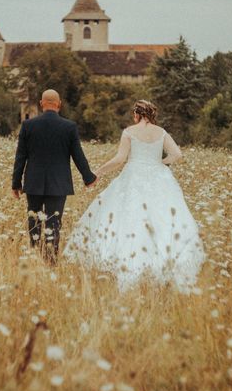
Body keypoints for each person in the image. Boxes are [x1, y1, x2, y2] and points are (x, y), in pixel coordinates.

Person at [63, 100, 205, 292]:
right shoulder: (161, 132)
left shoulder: (129, 132)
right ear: (151, 114)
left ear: (136, 114)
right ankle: (164, 263)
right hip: (158, 176)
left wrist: (98, 172)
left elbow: (120, 159)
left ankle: (126, 264)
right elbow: (177, 154)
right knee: (161, 218)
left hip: (133, 176)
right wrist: (160, 163)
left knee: (128, 217)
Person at [12, 89, 97, 264]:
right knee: (53, 223)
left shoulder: (28, 125)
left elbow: (20, 156)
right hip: (59, 184)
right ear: (59, 104)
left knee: (34, 220)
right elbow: (78, 155)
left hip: (33, 182)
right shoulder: (69, 127)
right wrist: (88, 178)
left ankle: (34, 257)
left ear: (42, 104)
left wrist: (16, 183)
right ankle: (50, 261)